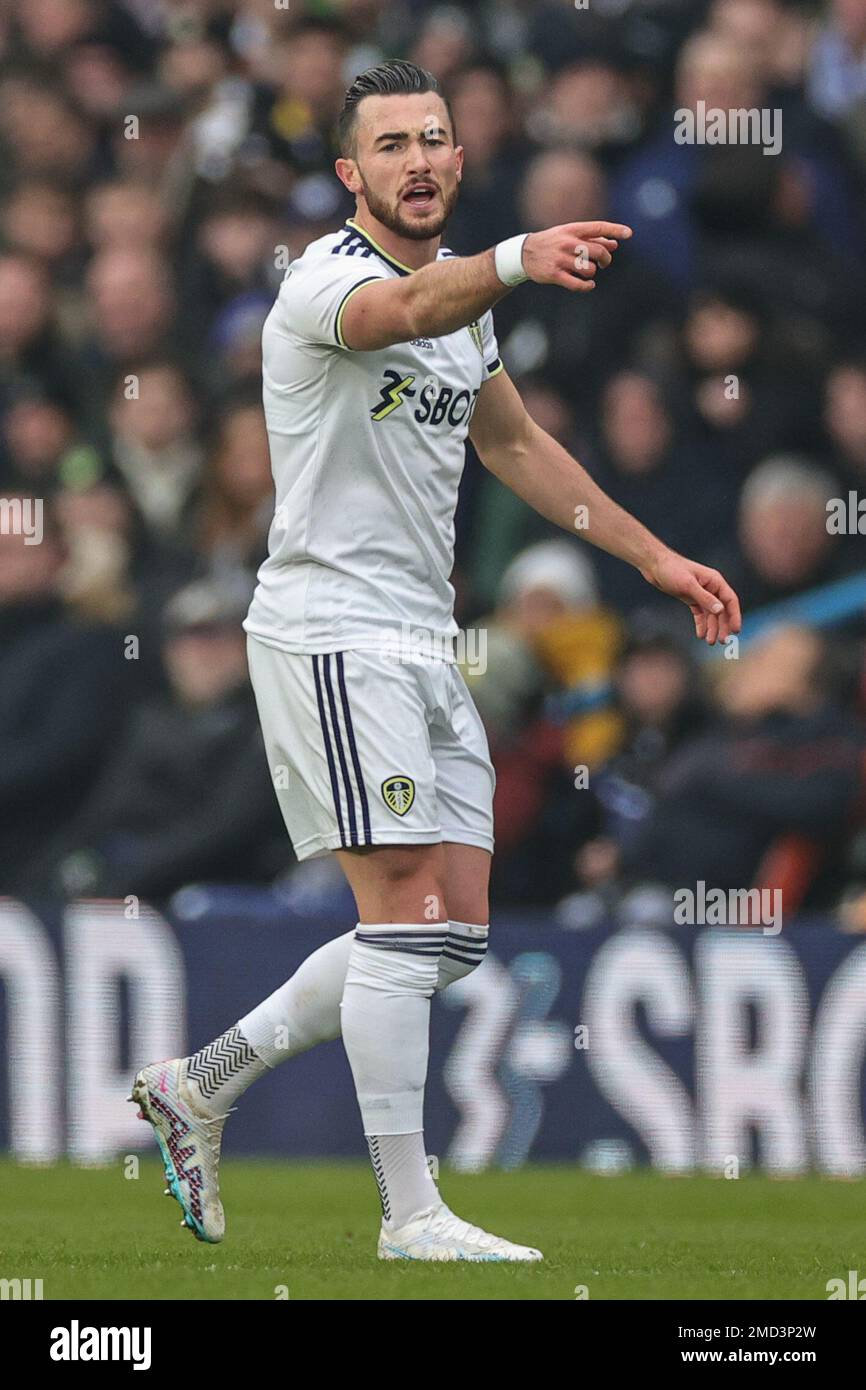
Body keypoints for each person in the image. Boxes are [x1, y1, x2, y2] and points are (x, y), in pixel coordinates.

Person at [131, 60, 741, 1263]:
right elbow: (401, 317)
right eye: (393, 144)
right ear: (351, 173)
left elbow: (515, 443)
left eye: (436, 138)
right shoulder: (323, 282)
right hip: (329, 634)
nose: (419, 159)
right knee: (403, 915)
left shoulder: (469, 312)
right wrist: (518, 253)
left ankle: (200, 1084)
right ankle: (409, 1217)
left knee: (450, 933)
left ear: (459, 158)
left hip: (423, 638)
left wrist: (652, 556)